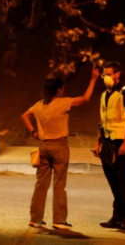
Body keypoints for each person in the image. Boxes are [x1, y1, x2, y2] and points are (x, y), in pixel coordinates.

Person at [21, 64, 100, 229]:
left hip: (44, 146)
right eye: (62, 88)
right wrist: (93, 79)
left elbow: (25, 116)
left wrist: (34, 132)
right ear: (58, 90)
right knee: (59, 184)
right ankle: (59, 220)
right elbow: (85, 98)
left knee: (41, 184)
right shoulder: (63, 102)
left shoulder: (39, 104)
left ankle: (35, 218)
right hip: (60, 146)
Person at [94, 61, 125, 231]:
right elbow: (103, 120)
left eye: (109, 74)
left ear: (117, 74)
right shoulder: (104, 94)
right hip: (107, 141)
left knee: (123, 181)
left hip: (121, 141)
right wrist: (98, 141)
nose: (106, 77)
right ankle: (117, 215)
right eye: (104, 74)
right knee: (113, 181)